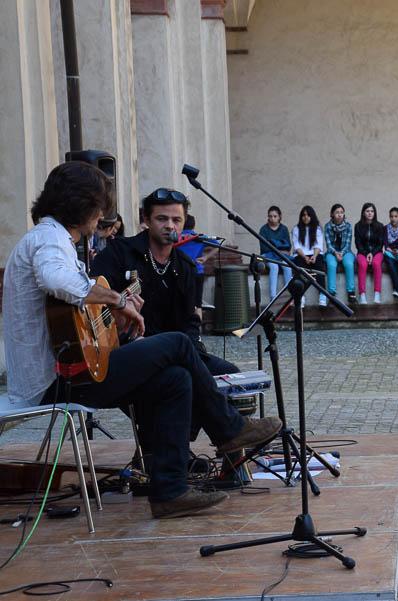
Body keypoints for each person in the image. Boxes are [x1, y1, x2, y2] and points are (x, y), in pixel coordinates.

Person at [2, 162, 281, 518]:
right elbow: (60, 283)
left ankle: (169, 491)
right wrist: (118, 300)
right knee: (178, 345)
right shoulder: (49, 239)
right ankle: (229, 429)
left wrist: (109, 316)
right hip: (56, 380)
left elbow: (69, 310)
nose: (103, 215)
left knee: (175, 380)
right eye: (100, 205)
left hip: (74, 369)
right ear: (84, 205)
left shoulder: (50, 238)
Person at [92, 189, 238, 378]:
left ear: (184, 222)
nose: (170, 226)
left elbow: (190, 321)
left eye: (176, 220)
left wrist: (194, 351)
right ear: (146, 219)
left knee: (230, 375)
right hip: (129, 351)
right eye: (162, 219)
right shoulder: (119, 252)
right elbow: (91, 295)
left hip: (177, 352)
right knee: (178, 377)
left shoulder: (186, 266)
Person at [292, 205, 327, 308]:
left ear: (312, 216)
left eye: (308, 215)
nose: (306, 217)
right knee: (300, 272)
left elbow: (318, 245)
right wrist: (305, 257)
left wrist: (314, 256)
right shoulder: (296, 229)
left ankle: (322, 296)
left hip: (315, 254)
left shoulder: (317, 228)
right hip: (301, 255)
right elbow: (297, 246)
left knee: (320, 270)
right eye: (303, 215)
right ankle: (301, 297)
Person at [258, 206, 293, 300]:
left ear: (279, 217)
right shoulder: (264, 229)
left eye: (275, 216)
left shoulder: (284, 229)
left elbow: (288, 246)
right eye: (270, 216)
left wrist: (274, 245)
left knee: (287, 266)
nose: (272, 218)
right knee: (274, 266)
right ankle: (273, 297)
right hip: (268, 256)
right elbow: (264, 248)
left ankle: (289, 296)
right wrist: (280, 248)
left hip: (282, 256)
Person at [323, 203, 356, 303]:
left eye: (341, 212)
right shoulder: (328, 226)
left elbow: (348, 243)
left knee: (349, 264)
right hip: (331, 252)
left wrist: (341, 253)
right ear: (332, 214)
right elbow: (328, 244)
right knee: (331, 264)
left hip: (345, 251)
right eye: (337, 212)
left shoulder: (348, 226)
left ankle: (351, 292)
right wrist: (335, 253)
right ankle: (331, 293)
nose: (340, 214)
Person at [354, 202, 384, 304]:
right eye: (367, 211)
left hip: (377, 252)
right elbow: (358, 243)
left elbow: (380, 244)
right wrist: (366, 253)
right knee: (362, 265)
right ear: (363, 213)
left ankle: (377, 293)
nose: (370, 213)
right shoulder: (358, 226)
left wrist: (372, 253)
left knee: (376, 264)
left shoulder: (380, 226)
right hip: (362, 252)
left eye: (372, 211)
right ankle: (362, 294)